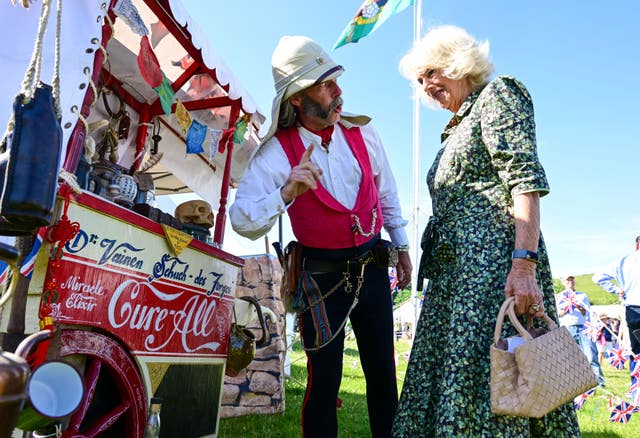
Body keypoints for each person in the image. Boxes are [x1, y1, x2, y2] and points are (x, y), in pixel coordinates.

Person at [391, 25, 580, 436]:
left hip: (491, 270)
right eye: (420, 81)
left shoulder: (499, 95)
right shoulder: (455, 129)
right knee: (458, 376)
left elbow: (523, 179)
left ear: (457, 63)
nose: (426, 86)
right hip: (452, 279)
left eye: (431, 73)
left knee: (492, 374)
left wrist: (524, 265)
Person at [229, 36, 412, 438]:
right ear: (296, 98)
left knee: (383, 372)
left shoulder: (365, 134)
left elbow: (387, 192)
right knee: (324, 381)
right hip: (320, 276)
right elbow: (241, 219)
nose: (338, 91)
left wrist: (401, 246)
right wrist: (286, 192)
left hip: (373, 265)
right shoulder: (277, 153)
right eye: (325, 85)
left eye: (335, 81)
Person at [592, 235, 640, 355]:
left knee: (636, 350)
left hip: (633, 310)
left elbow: (597, 278)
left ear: (637, 245)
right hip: (633, 308)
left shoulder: (623, 262)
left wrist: (616, 290)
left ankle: (636, 372)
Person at [556, 275, 605, 386]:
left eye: (572, 279)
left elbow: (585, 312)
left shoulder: (582, 296)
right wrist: (568, 307)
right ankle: (576, 383)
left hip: (583, 326)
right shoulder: (560, 297)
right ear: (564, 282)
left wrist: (577, 306)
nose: (570, 282)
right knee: (570, 357)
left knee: (591, 354)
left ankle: (599, 382)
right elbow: (559, 314)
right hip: (567, 327)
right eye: (568, 280)